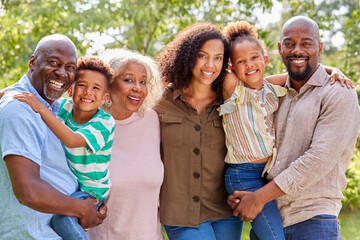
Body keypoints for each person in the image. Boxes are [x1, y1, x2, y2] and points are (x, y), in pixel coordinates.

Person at [228, 16, 360, 240]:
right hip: (268, 220)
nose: (297, 50)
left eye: (306, 43)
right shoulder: (271, 94)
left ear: (319, 47)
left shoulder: (338, 93)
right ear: (280, 49)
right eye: (289, 43)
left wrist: (259, 197)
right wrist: (245, 195)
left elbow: (318, 160)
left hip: (313, 221)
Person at [0, 34, 106, 239]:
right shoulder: (20, 109)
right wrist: (82, 209)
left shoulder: (52, 109)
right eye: (54, 63)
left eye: (70, 67)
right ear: (32, 62)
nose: (62, 73)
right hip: (31, 234)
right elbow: (28, 190)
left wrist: (89, 206)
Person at [155, 22, 243, 240]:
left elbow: (268, 86)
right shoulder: (160, 100)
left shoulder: (231, 98)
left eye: (218, 57)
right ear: (188, 56)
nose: (210, 64)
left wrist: (328, 70)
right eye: (202, 55)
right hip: (180, 213)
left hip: (226, 211)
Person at [87, 48, 164, 240]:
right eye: (128, 80)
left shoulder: (152, 120)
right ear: (109, 84)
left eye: (143, 81)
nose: (138, 87)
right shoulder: (88, 126)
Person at [220, 21, 286, 240]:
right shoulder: (233, 89)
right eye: (241, 61)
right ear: (232, 68)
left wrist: (336, 72)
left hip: (267, 175)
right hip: (243, 175)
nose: (249, 65)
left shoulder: (271, 87)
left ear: (265, 59)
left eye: (254, 58)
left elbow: (308, 74)